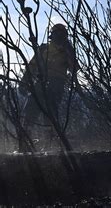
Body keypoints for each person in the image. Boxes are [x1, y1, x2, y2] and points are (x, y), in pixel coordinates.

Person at [19, 23, 77, 151]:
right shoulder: (43, 49)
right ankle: (24, 144)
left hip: (57, 85)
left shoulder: (68, 51)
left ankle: (49, 146)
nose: (58, 36)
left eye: (61, 34)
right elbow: (32, 66)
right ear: (52, 35)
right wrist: (24, 81)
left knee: (50, 115)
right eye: (57, 33)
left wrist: (68, 52)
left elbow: (74, 69)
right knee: (30, 111)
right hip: (41, 83)